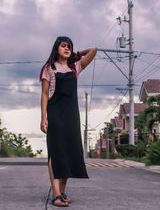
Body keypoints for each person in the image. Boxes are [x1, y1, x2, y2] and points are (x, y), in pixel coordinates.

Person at [39, 36, 97, 207]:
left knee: (69, 151)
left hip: (72, 114)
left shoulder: (75, 67)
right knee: (56, 151)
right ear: (56, 48)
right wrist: (43, 118)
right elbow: (44, 94)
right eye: (63, 46)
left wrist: (75, 54)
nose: (66, 48)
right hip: (55, 112)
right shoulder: (48, 68)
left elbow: (93, 51)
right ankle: (56, 193)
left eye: (69, 47)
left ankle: (62, 192)